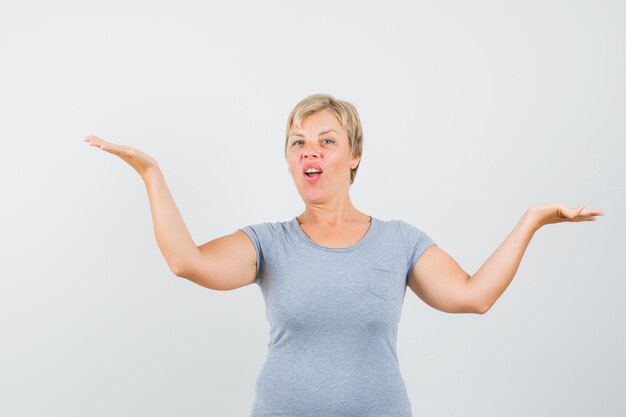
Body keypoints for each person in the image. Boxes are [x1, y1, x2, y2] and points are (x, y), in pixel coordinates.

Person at [84, 93, 605, 416]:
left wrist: (531, 220)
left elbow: (474, 295)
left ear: (354, 156)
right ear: (289, 160)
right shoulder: (269, 243)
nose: (310, 150)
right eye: (298, 142)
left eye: (326, 140)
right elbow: (187, 261)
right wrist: (151, 174)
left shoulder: (400, 241)